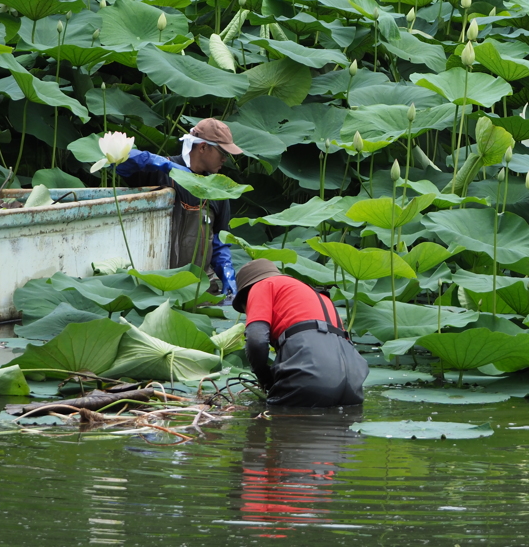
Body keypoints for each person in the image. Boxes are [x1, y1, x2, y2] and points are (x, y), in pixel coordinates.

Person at [116, 118, 243, 299]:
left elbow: (219, 241)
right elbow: (119, 162)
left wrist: (227, 273)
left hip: (202, 287)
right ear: (203, 147)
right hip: (161, 284)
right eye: (221, 151)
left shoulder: (219, 188)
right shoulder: (160, 172)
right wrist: (162, 164)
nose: (225, 158)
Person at [233, 259, 368, 407]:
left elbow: (256, 340)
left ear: (246, 295)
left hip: (311, 375)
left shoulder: (262, 285)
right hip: (353, 383)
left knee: (280, 420)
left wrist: (265, 380)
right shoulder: (318, 295)